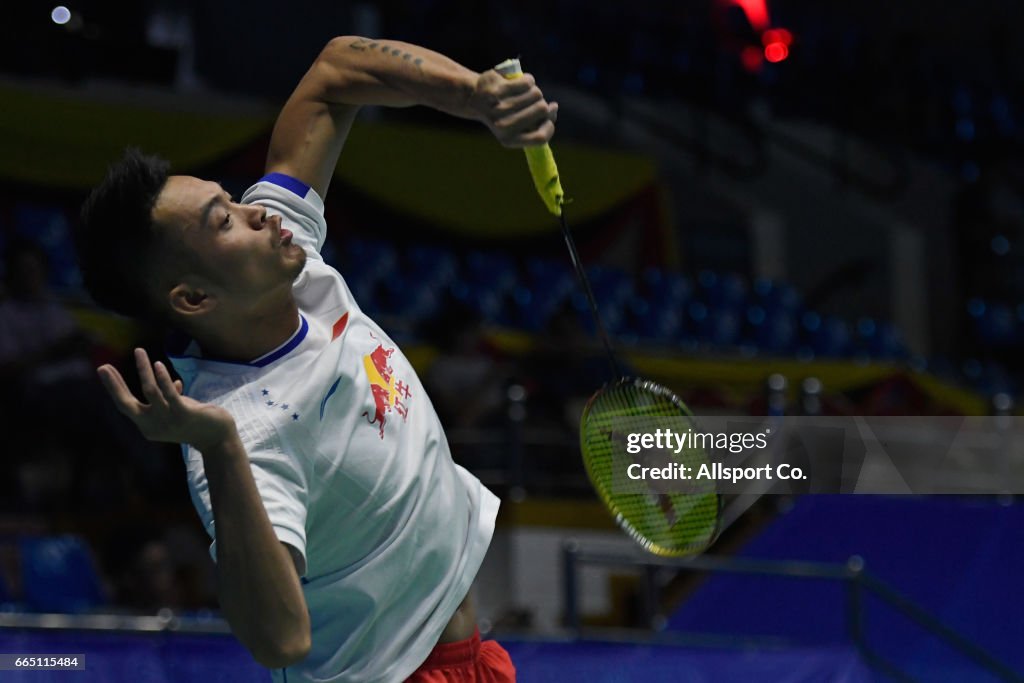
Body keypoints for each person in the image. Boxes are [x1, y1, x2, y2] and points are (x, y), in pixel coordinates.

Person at [76, 36, 557, 682]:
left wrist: (474, 96)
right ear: (193, 297)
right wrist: (219, 448)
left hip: (472, 656)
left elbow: (336, 71)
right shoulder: (241, 430)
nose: (256, 212)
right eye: (225, 222)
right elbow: (278, 638)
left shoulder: (279, 249)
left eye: (234, 200)